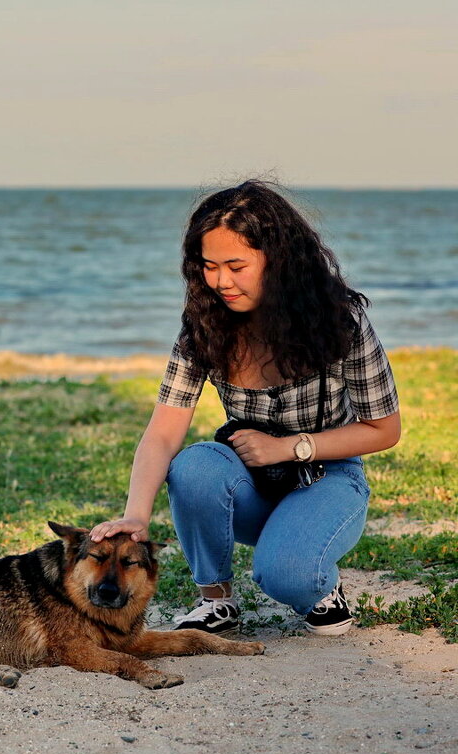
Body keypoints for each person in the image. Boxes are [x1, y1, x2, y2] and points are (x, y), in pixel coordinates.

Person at [90, 181, 401, 636]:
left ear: (278, 260)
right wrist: (136, 514)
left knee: (285, 575)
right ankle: (215, 601)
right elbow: (162, 433)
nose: (220, 281)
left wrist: (287, 448)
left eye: (236, 265)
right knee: (196, 463)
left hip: (330, 479)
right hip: (246, 486)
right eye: (209, 266)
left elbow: (384, 430)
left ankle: (317, 581)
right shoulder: (203, 327)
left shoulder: (341, 322)